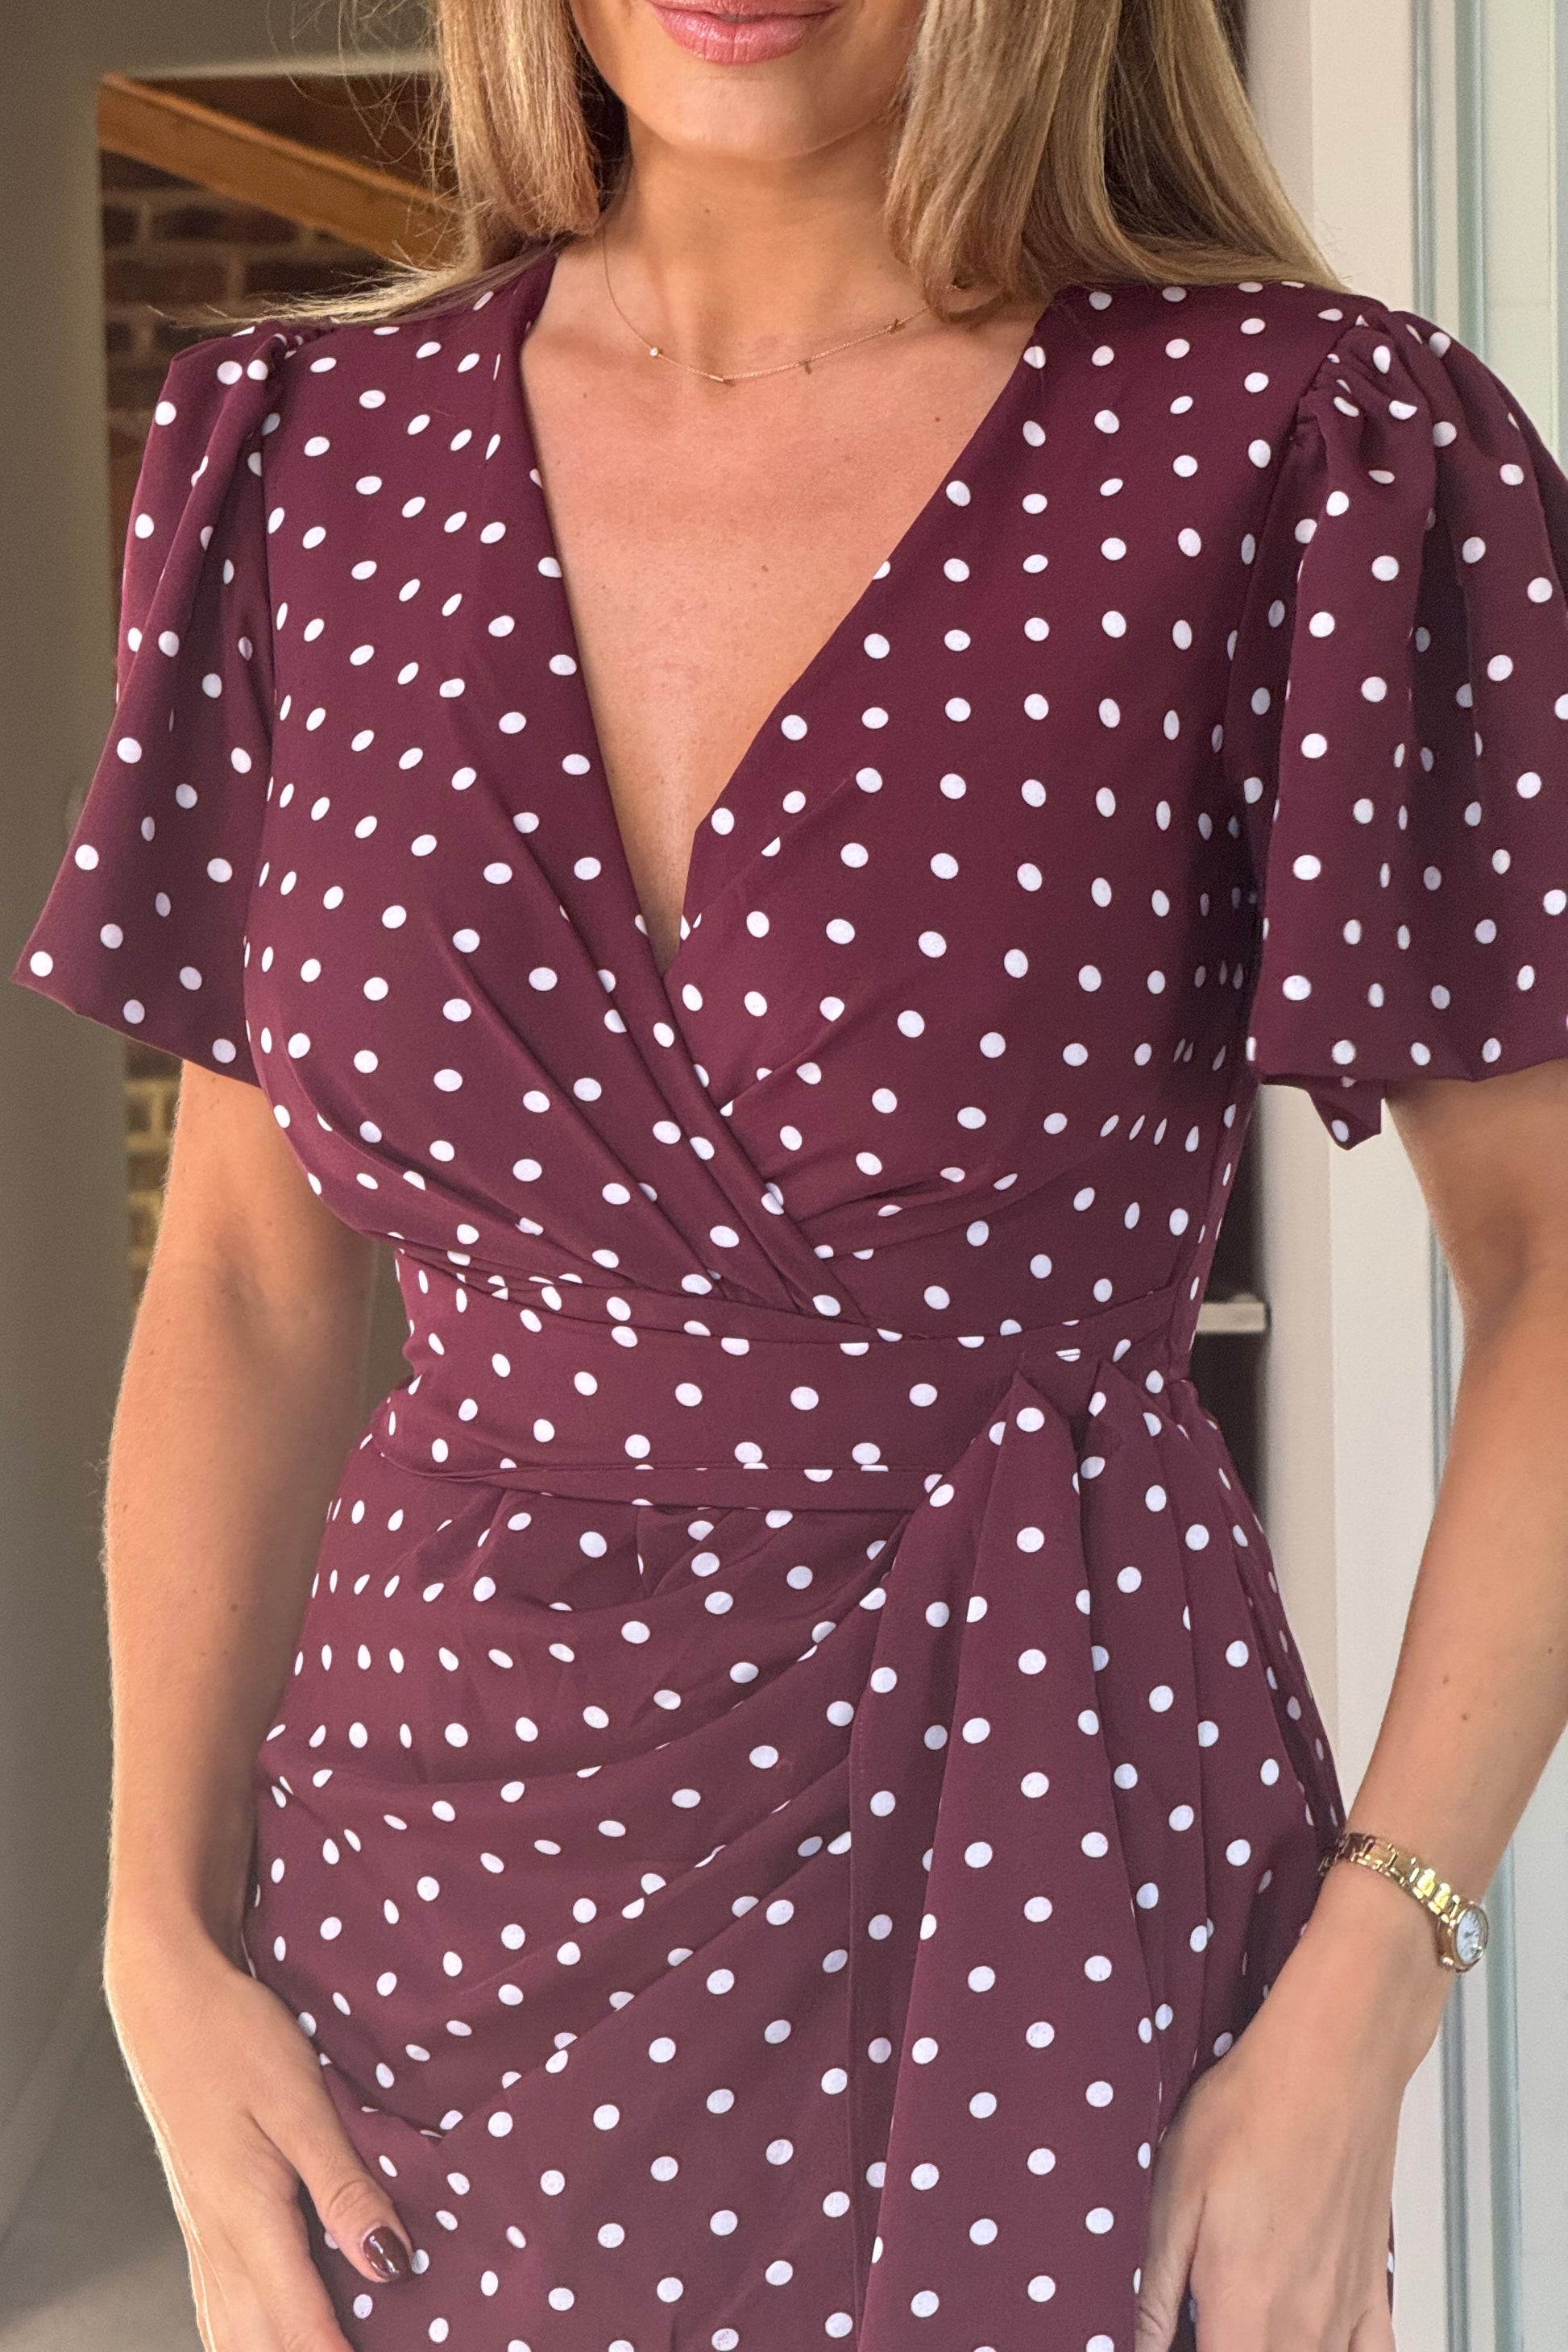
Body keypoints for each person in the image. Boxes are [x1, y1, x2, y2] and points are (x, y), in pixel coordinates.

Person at [12, 0, 1568, 2345]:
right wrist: (155, 1934)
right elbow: (245, 1275)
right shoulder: (306, 457)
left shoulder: (1308, 446)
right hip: (430, 1913)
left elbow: (1551, 1258)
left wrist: (1376, 1987)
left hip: (1056, 1874)